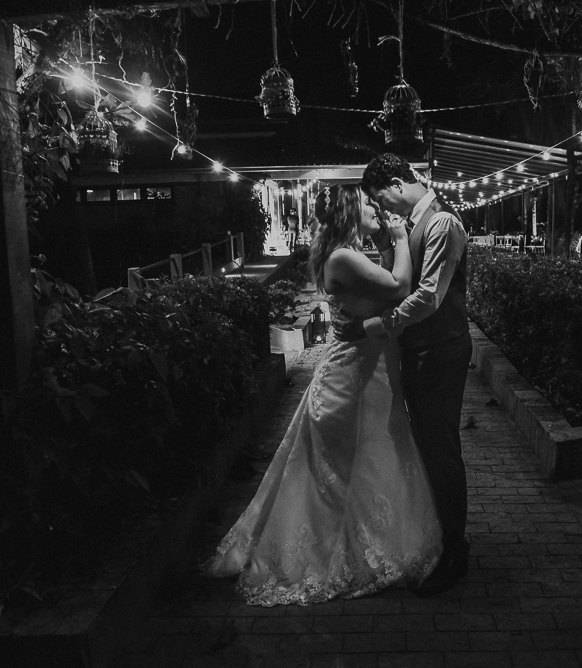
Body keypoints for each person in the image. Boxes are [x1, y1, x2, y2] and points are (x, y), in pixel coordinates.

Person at [200, 185, 442, 606]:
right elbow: (401, 286)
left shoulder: (349, 253)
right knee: (343, 469)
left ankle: (361, 541)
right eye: (366, 204)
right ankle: (333, 550)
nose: (375, 208)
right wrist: (402, 239)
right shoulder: (343, 257)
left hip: (367, 370)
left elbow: (382, 291)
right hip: (352, 379)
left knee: (364, 463)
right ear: (349, 214)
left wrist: (388, 245)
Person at [334, 153, 472, 597]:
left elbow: (428, 297)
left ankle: (455, 550)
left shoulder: (441, 224)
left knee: (441, 447)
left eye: (380, 199)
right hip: (419, 350)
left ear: (397, 184)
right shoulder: (409, 225)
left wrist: (373, 326)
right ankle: (442, 539)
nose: (381, 208)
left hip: (441, 350)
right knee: (427, 445)